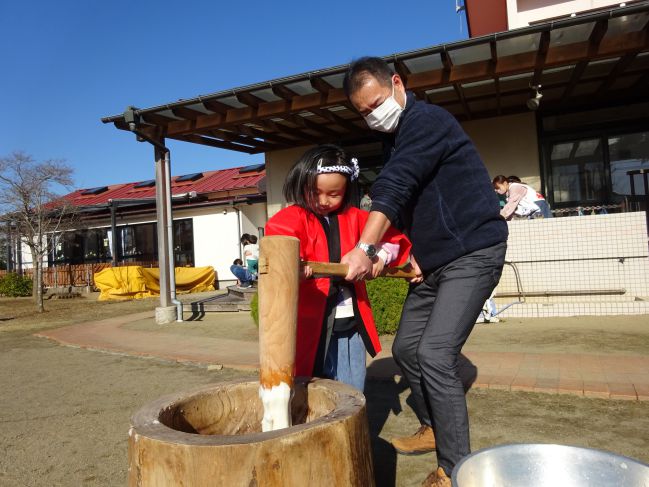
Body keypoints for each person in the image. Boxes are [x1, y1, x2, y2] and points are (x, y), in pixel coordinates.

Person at [340, 57, 508, 486]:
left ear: (397, 83)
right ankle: (435, 426)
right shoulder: (394, 141)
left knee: (435, 354)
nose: (372, 115)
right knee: (408, 350)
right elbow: (416, 208)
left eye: (376, 102)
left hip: (473, 253)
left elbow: (395, 186)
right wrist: (401, 254)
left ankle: (454, 469)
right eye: (363, 112)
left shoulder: (427, 120)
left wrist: (365, 247)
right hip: (433, 264)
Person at [265, 144, 411, 392]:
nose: (323, 200)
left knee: (350, 386)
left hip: (349, 318)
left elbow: (393, 239)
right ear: (301, 184)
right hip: (308, 319)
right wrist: (294, 268)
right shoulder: (291, 218)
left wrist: (380, 257)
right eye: (314, 191)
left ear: (347, 190)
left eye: (334, 194)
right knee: (306, 386)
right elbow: (278, 244)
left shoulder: (358, 218)